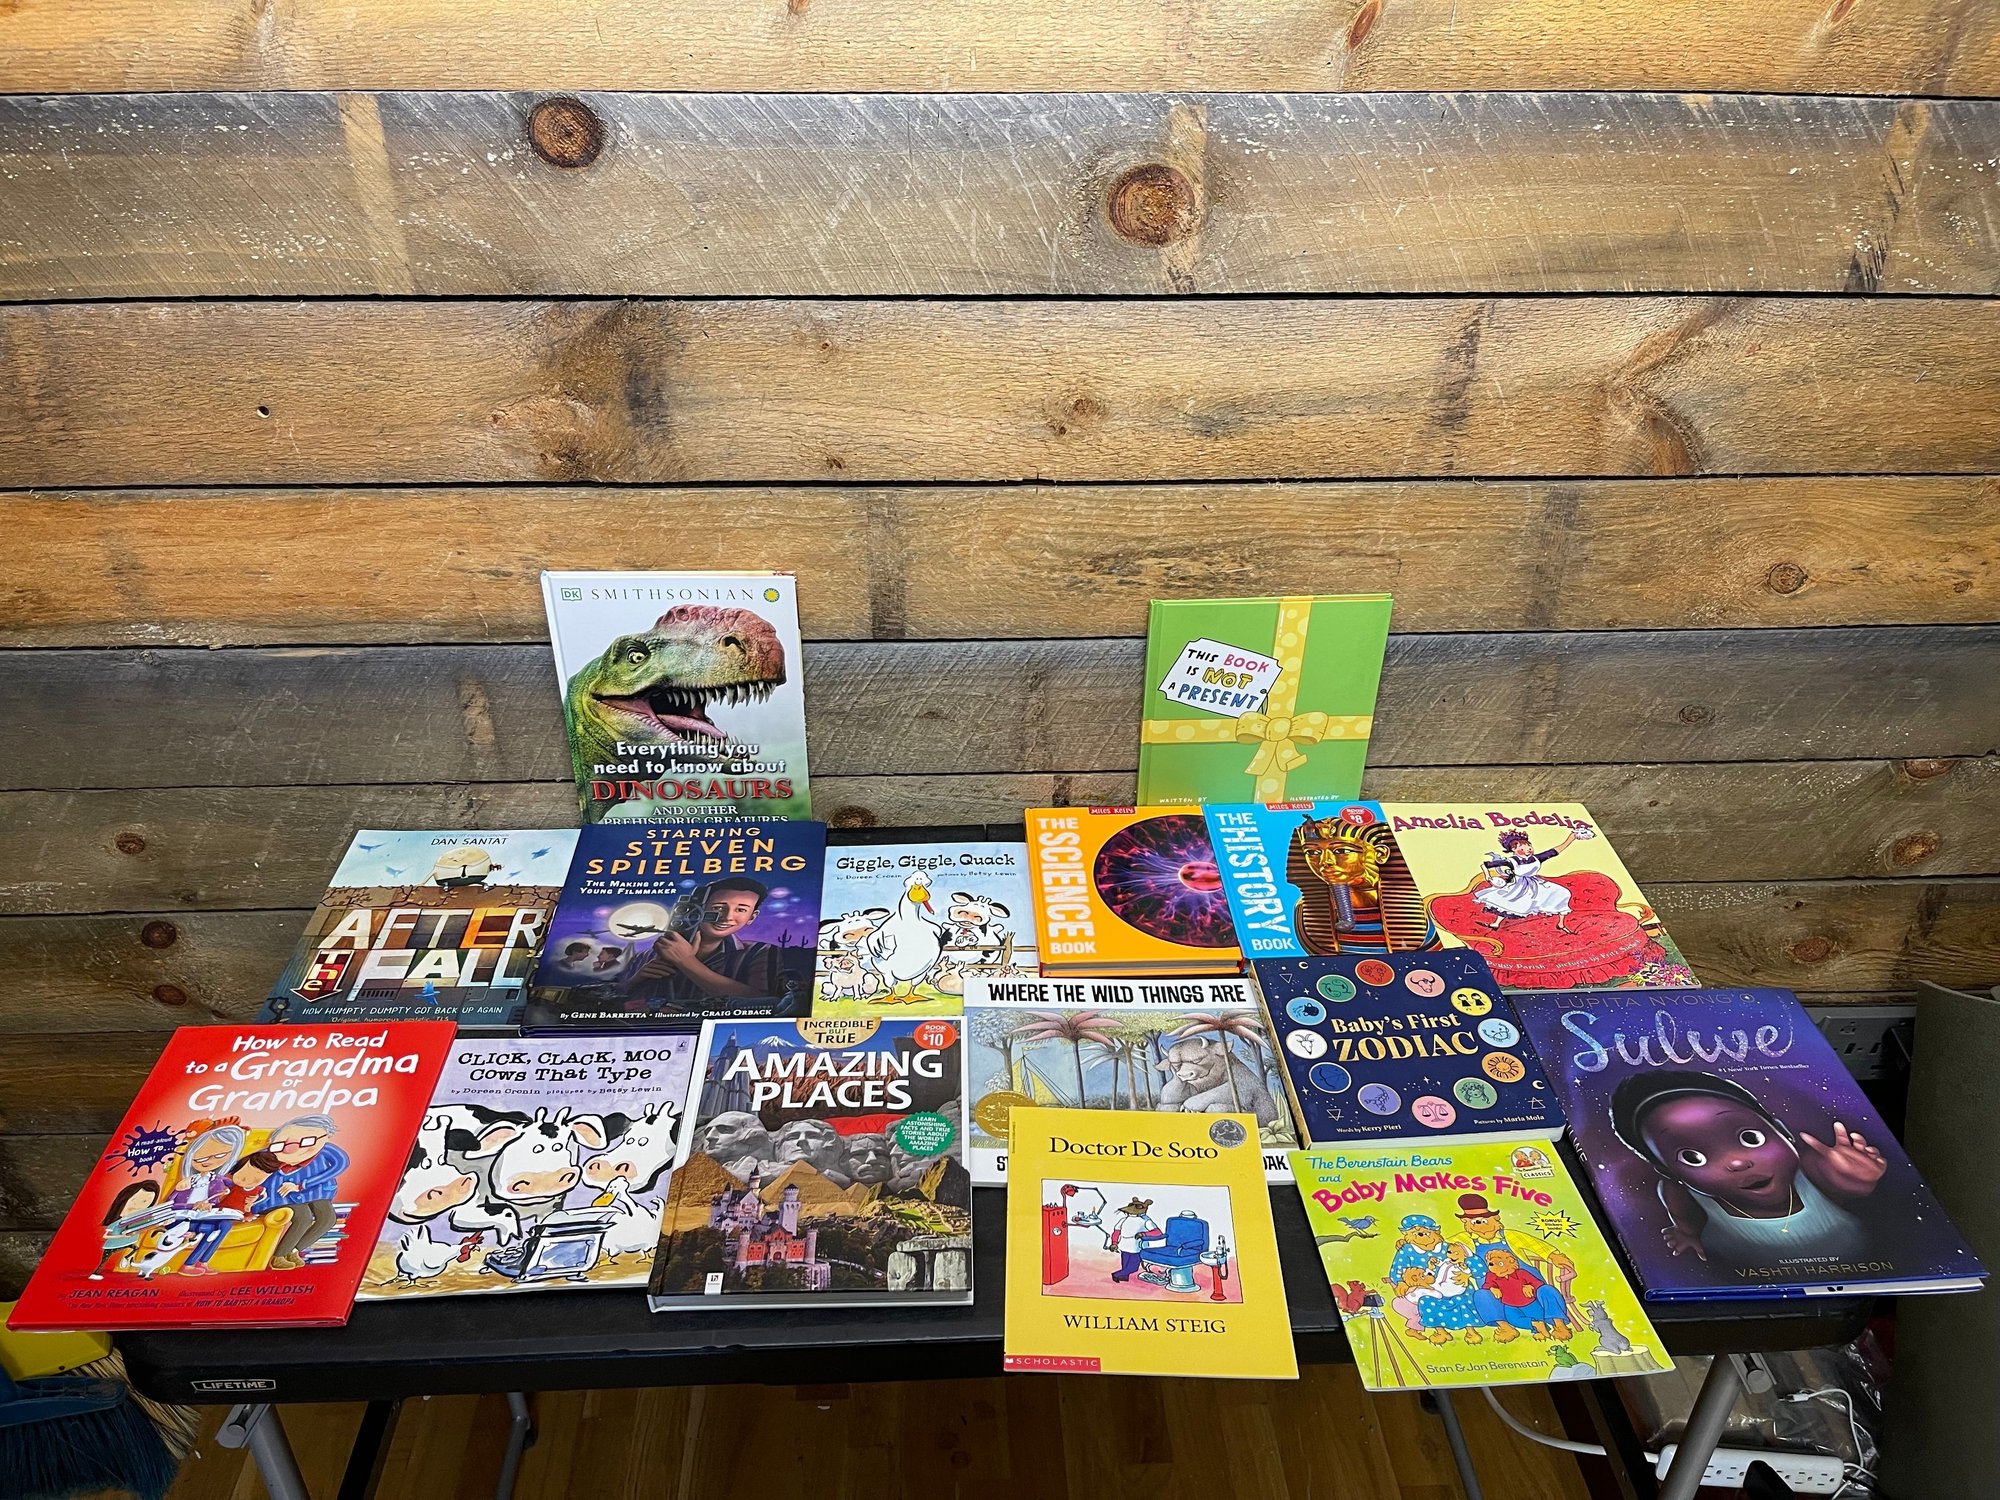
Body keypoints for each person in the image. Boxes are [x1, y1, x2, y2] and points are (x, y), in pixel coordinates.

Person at [1610, 1069, 1881, 1266]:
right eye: (1693, 1157)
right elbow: (1682, 1214)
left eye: (1750, 1138)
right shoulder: (1682, 1193)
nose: (1737, 1162)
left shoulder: (1809, 1167)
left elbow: (1841, 1181)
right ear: (1670, 1171)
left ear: (1783, 1132)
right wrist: (1687, 1233)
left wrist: (1857, 1177)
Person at [630, 877, 785, 1004]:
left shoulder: (759, 952)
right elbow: (618, 999)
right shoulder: (645, 957)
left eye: (740, 910)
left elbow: (764, 1002)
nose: (727, 917)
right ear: (697, 909)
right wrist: (634, 981)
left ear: (752, 917)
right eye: (718, 908)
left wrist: (686, 961)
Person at [256, 1114, 349, 1270]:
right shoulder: (270, 1153)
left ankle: (293, 1250)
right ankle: (279, 1256)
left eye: (307, 1141)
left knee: (327, 1219)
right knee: (303, 1217)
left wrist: (305, 1184)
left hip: (315, 1192)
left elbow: (341, 1163)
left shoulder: (324, 1149)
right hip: (280, 1197)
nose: (297, 1148)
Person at [1473, 826, 1595, 931]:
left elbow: (1555, 851)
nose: (1528, 849)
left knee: (1562, 893)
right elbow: (1485, 865)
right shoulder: (1511, 861)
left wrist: (1571, 838)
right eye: (1523, 847)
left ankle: (1561, 924)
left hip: (1534, 884)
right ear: (1514, 849)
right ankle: (1496, 924)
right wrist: (1488, 877)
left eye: (1529, 845)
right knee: (1508, 902)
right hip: (1517, 886)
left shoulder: (1536, 858)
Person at [165, 1124, 248, 1277]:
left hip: (206, 1217)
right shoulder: (186, 1182)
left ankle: (203, 1262)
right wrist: (193, 1205)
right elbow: (171, 1205)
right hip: (182, 1219)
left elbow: (238, 1186)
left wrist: (231, 1194)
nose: (210, 1161)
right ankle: (188, 1264)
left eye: (220, 1156)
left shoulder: (217, 1180)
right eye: (202, 1158)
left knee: (225, 1224)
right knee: (210, 1229)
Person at [91, 1181, 162, 1279]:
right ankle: (96, 1273)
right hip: (113, 1245)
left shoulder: (137, 1221)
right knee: (104, 1260)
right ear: (124, 1200)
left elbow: (148, 1225)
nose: (137, 1206)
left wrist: (161, 1223)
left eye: (145, 1202)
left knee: (135, 1248)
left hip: (127, 1242)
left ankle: (127, 1258)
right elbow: (105, 1235)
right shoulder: (116, 1223)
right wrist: (121, 1236)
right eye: (134, 1200)